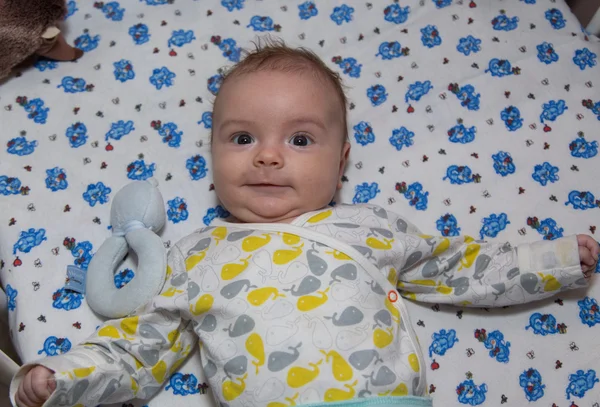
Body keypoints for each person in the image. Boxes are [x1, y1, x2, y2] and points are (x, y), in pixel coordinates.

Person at [12, 39, 599, 407]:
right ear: (211, 155)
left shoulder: (369, 227)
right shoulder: (194, 255)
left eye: (299, 139)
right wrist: (61, 379)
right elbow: (140, 350)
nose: (268, 156)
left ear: (340, 161)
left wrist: (555, 261)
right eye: (243, 138)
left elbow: (459, 267)